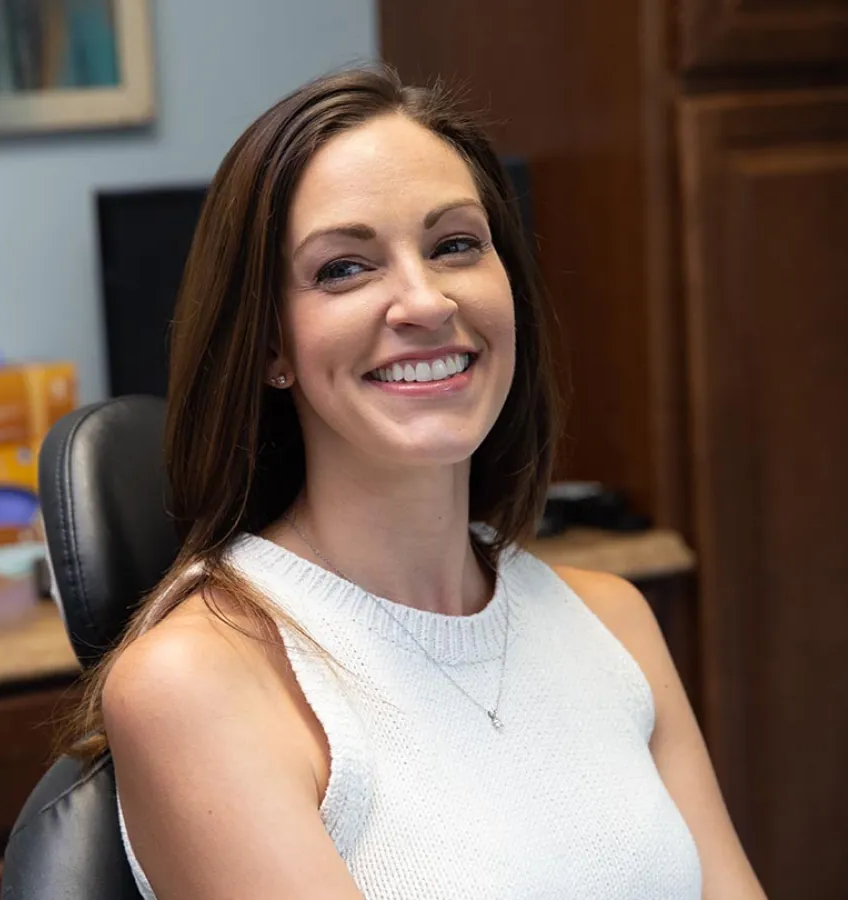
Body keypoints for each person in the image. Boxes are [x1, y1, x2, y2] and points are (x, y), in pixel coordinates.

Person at [75, 67, 767, 899]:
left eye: (455, 246)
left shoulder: (613, 622)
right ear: (269, 349)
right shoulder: (196, 683)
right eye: (344, 269)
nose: (424, 301)